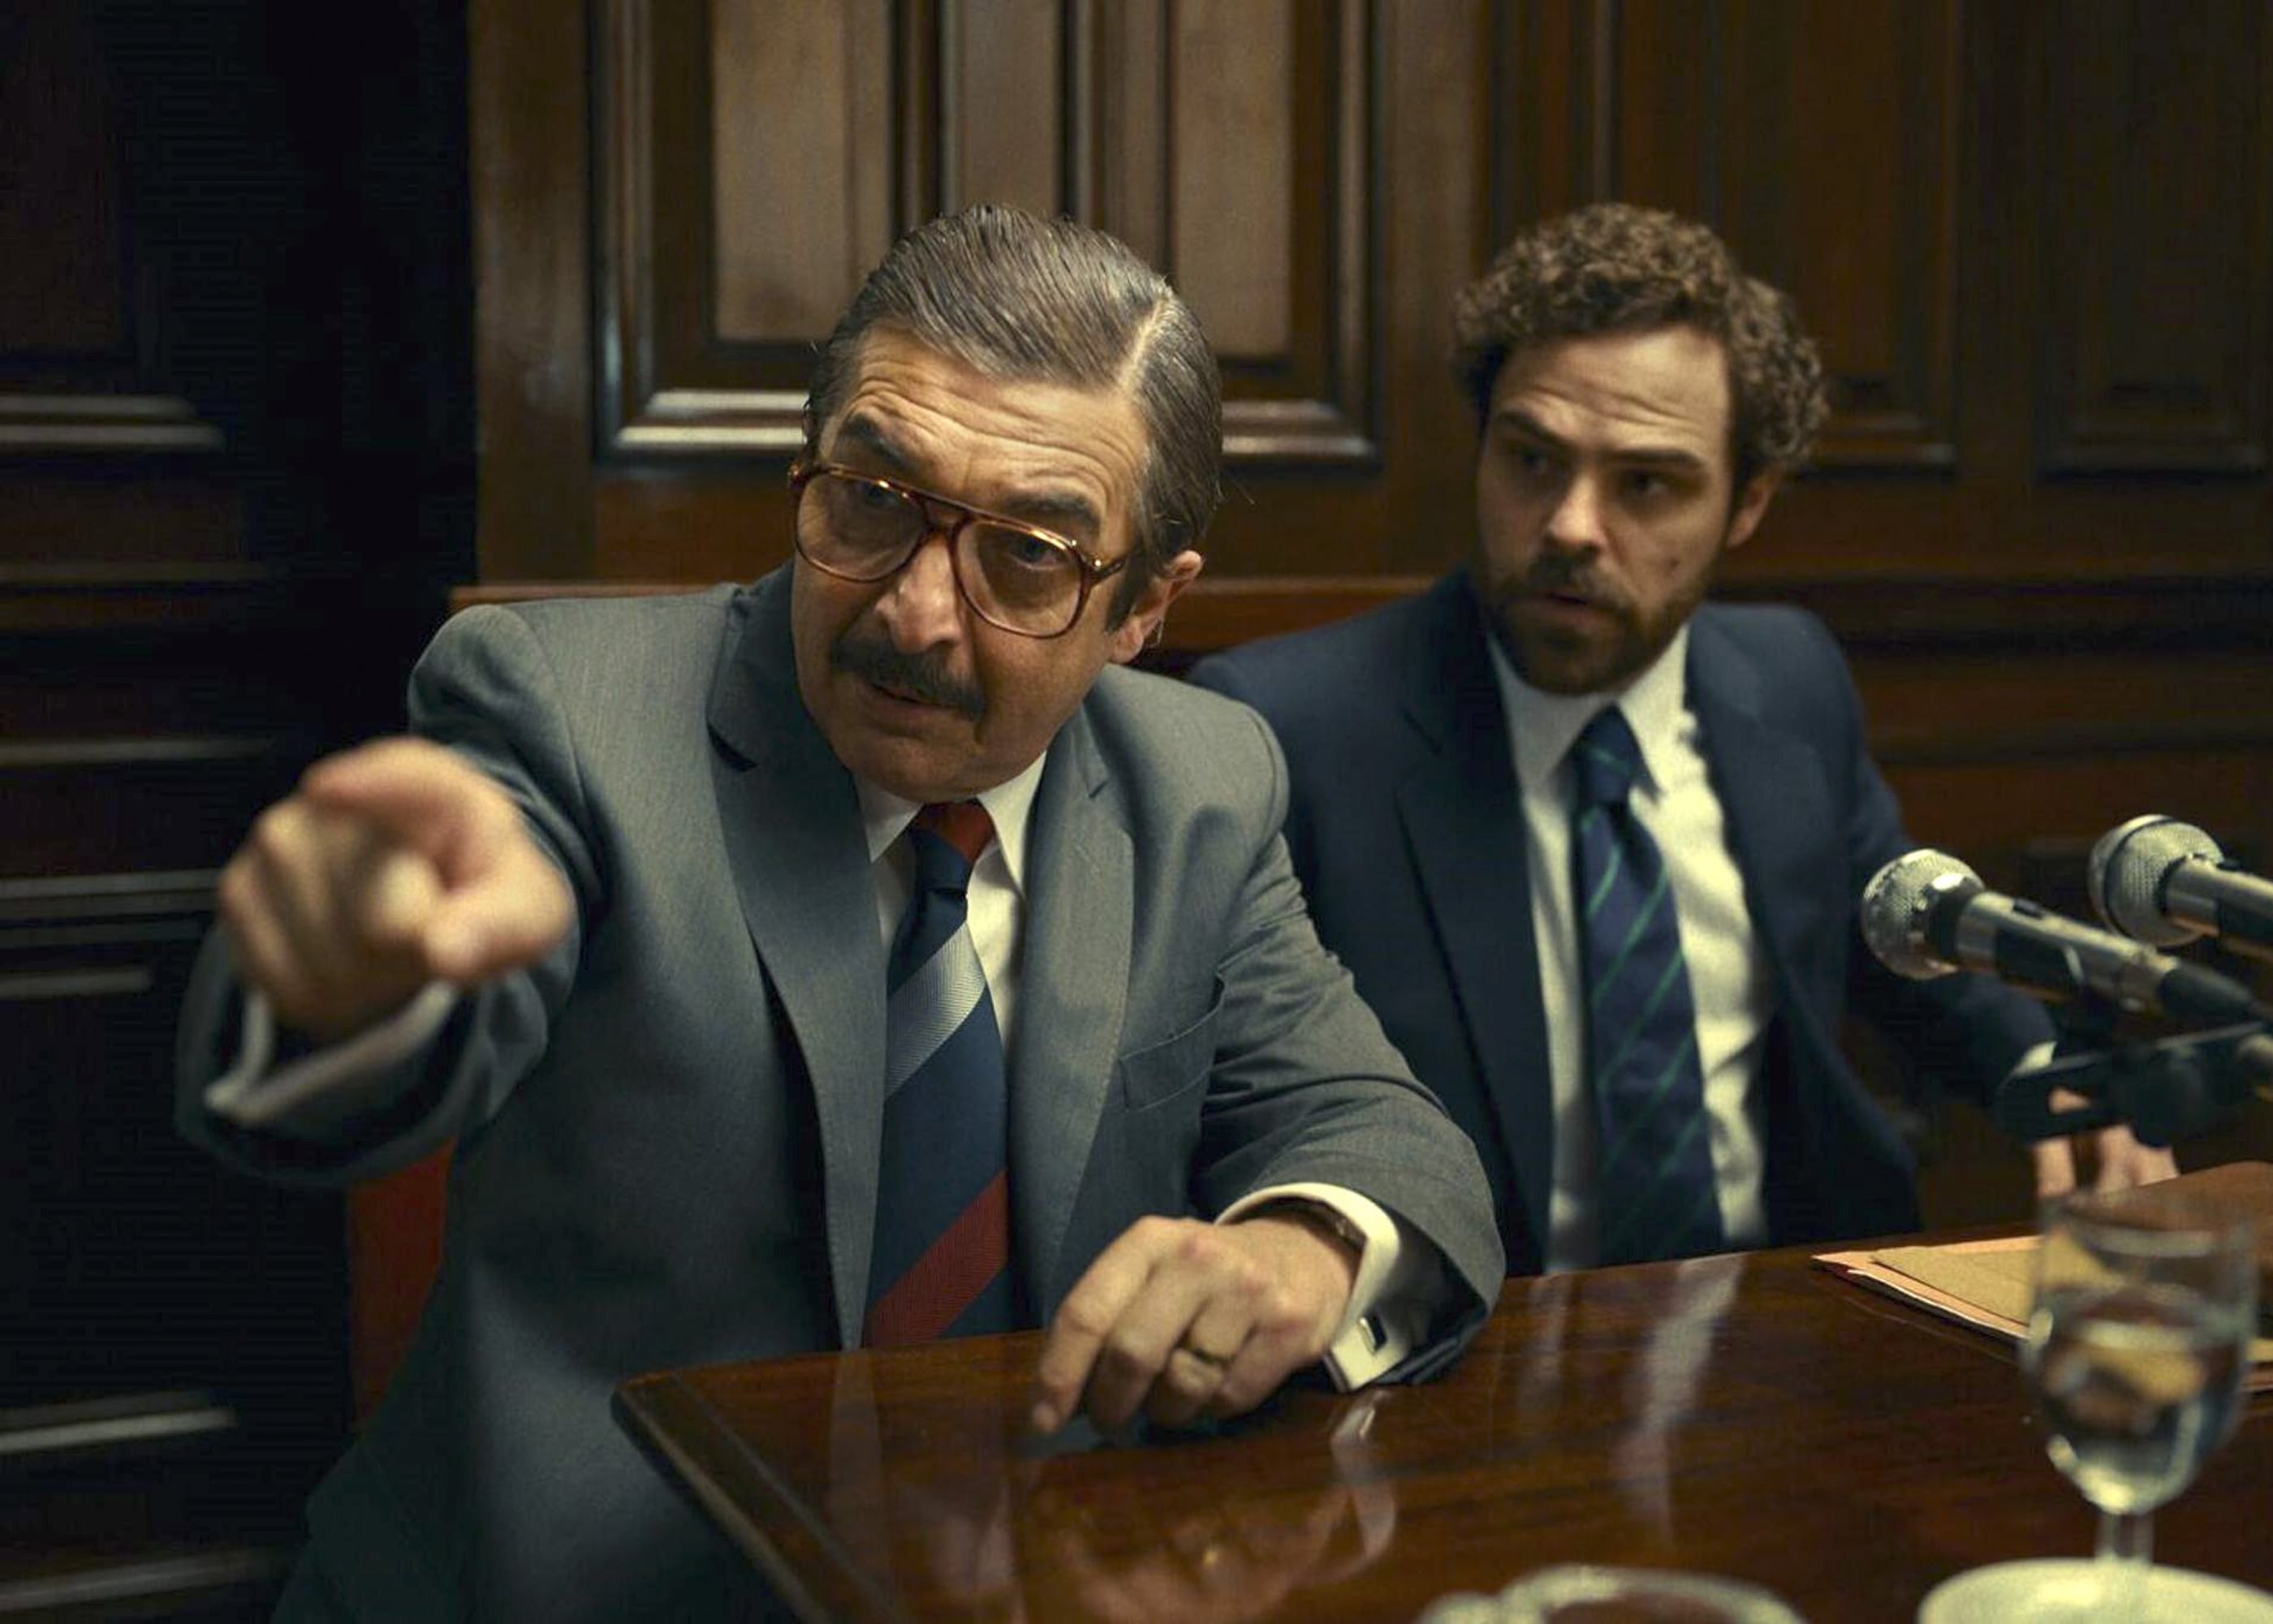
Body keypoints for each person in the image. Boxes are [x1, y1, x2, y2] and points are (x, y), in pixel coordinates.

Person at [175, 205, 1503, 1621]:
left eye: (1027, 554)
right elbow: (423, 986)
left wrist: (1299, 1250)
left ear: (1143, 610)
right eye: (872, 500)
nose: (916, 614)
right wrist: (361, 979)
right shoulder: (567, 710)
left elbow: (1380, 1134)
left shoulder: (1199, 782)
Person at [1193, 202, 2172, 1278]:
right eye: (1531, 459)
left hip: (1789, 1313)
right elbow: (1240, 1114)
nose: (1570, 525)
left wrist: (2048, 1066)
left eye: (1647, 484)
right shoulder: (1291, 731)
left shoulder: (1790, 680)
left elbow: (1901, 943)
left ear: (1748, 504)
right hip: (1479, 1333)